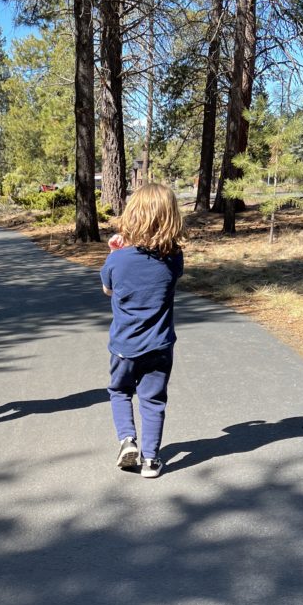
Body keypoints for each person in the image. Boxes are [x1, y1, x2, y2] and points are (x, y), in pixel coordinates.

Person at [100, 183, 184, 478]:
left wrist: (115, 252)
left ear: (132, 215)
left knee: (120, 391)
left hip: (125, 346)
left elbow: (109, 289)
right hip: (160, 346)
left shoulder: (117, 259)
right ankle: (151, 459)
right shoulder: (175, 259)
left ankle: (126, 441)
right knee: (153, 400)